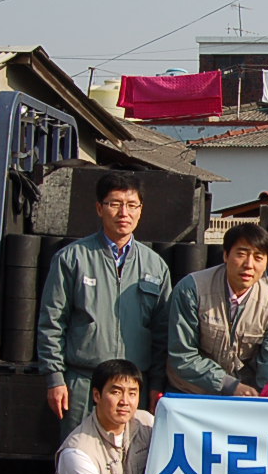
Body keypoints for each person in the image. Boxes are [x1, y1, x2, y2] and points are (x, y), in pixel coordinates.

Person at [37, 171, 171, 436]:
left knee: (128, 463)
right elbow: (52, 322)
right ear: (100, 208)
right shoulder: (72, 258)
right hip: (83, 384)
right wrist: (55, 378)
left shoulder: (155, 265)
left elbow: (161, 333)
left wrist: (155, 384)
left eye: (132, 205)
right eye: (115, 203)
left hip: (132, 388)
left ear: (140, 210)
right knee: (78, 459)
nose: (124, 212)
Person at [166, 222, 268, 397]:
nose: (249, 264)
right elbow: (182, 354)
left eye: (258, 257)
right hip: (190, 393)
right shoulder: (192, 289)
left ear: (267, 263)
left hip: (242, 396)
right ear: (225, 255)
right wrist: (228, 384)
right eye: (241, 254)